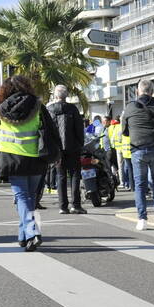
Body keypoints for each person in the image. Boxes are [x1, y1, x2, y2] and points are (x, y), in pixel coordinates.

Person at [0, 75, 59, 251]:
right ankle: (25, 236)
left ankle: (30, 233)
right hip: (36, 158)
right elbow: (50, 130)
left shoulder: (0, 109)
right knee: (30, 198)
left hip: (12, 159)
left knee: (22, 198)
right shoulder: (38, 107)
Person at [122, 79, 154, 232]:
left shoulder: (130, 107)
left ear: (138, 91)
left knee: (140, 185)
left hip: (137, 150)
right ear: (152, 91)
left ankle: (142, 219)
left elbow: (124, 130)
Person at [46, 85, 87, 215]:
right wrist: (80, 143)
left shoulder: (49, 109)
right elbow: (79, 129)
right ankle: (76, 205)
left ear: (55, 95)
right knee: (75, 175)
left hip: (57, 149)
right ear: (66, 95)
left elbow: (46, 130)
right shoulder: (72, 109)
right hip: (73, 147)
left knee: (60, 176)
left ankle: (63, 206)